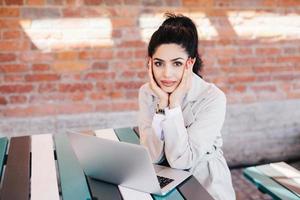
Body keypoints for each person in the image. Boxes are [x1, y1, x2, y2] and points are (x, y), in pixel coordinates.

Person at [138, 13, 236, 200]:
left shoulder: (212, 98)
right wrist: (161, 104)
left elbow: (182, 160)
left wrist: (173, 105)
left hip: (205, 183)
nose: (167, 74)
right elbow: (150, 156)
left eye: (177, 64)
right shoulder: (147, 93)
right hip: (166, 180)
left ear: (189, 63)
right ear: (150, 63)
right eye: (159, 63)